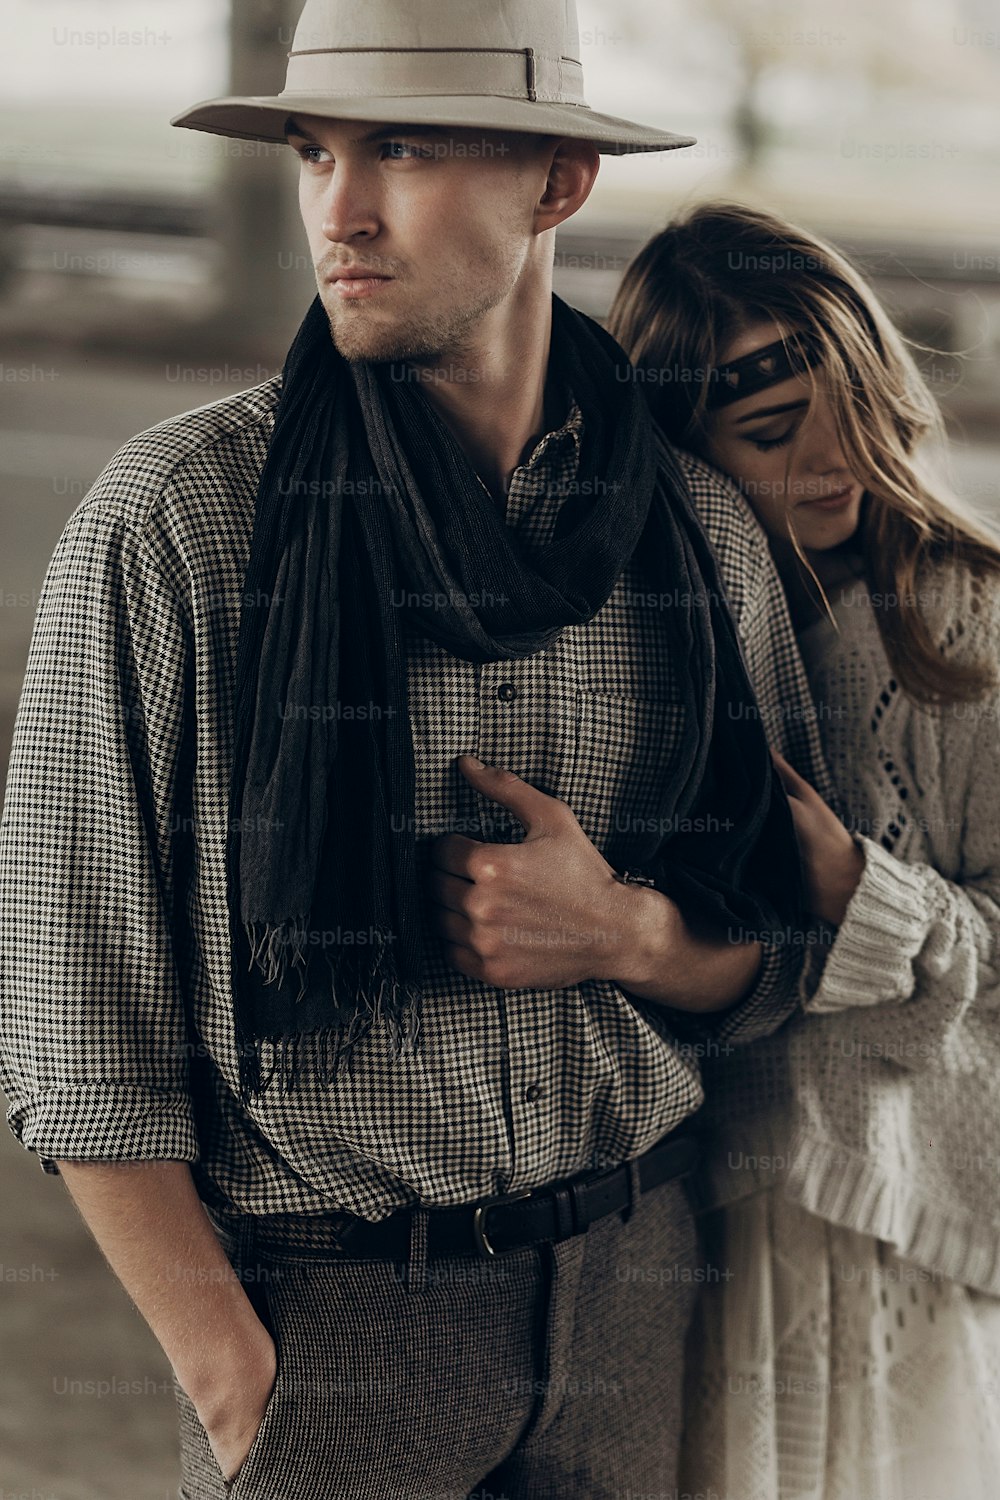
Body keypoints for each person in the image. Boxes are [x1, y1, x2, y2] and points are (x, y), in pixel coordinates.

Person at [0, 7, 829, 1495]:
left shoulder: (698, 538)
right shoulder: (177, 525)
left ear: (558, 183)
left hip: (635, 1297)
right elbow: (75, 1023)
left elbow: (781, 955)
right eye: (316, 151)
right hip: (331, 1326)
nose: (340, 208)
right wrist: (236, 1380)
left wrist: (632, 935)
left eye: (406, 148)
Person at [607, 200, 1000, 1500]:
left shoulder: (965, 622)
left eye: (852, 413)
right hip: (681, 1214)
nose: (831, 466)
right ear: (679, 440)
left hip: (884, 1216)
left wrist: (870, 902)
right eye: (774, 435)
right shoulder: (643, 632)